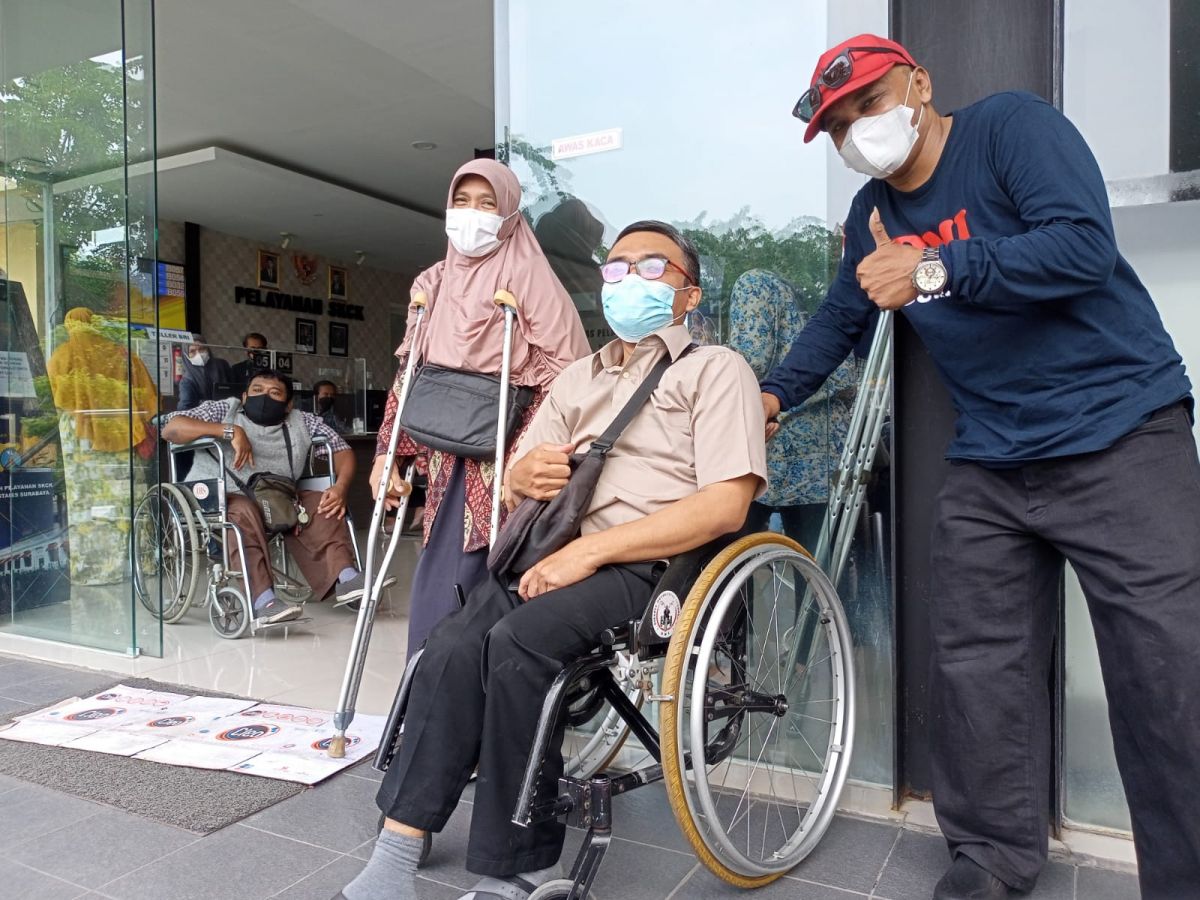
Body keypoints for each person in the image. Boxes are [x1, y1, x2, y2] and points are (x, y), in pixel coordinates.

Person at [760, 34, 1199, 900]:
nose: (860, 129)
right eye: (842, 124)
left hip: (1122, 431)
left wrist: (931, 268)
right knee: (977, 665)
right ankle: (993, 857)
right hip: (995, 457)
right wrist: (768, 397)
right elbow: (838, 320)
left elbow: (1079, 246)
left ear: (919, 82)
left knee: (1168, 674)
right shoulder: (870, 217)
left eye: (870, 102)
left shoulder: (1010, 130)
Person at [337, 220, 766, 900]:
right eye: (618, 269)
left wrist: (593, 551)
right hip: (555, 555)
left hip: (652, 565)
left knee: (518, 644)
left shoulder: (716, 371)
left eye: (652, 268)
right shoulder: (576, 379)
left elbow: (724, 506)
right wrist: (523, 473)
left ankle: (519, 863)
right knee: (451, 646)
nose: (630, 280)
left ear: (688, 296)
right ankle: (399, 847)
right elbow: (516, 480)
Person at [372, 159, 590, 656]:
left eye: (487, 203)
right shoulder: (433, 282)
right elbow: (410, 371)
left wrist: (524, 457)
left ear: (510, 213)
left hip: (507, 460)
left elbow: (570, 379)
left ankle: (480, 707)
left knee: (485, 583)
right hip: (447, 459)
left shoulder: (530, 280)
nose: (472, 215)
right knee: (438, 582)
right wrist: (389, 455)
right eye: (461, 202)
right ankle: (425, 708)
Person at [161, 369, 392, 628]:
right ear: (245, 395)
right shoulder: (225, 410)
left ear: (288, 404)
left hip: (277, 495)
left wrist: (340, 487)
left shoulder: (301, 421)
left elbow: (341, 451)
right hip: (223, 495)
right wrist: (230, 432)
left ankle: (347, 578)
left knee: (322, 503)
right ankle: (263, 601)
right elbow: (172, 428)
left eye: (275, 393)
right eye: (257, 391)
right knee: (243, 513)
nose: (265, 397)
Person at [727, 268, 857, 550]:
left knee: (731, 561)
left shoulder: (753, 283)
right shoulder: (807, 293)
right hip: (827, 450)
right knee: (818, 567)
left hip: (775, 443)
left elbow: (750, 359)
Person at [47, 307, 158, 584]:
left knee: (88, 506)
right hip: (124, 440)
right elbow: (148, 398)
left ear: (70, 325)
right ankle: (141, 565)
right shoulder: (122, 353)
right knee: (129, 502)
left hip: (83, 444)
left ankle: (96, 570)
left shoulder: (63, 354)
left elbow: (53, 397)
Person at [177, 336, 234, 411]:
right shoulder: (187, 380)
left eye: (201, 349)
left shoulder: (221, 365)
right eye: (192, 351)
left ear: (208, 349)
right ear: (186, 355)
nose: (198, 354)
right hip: (202, 419)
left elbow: (235, 389)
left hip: (229, 411)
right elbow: (184, 408)